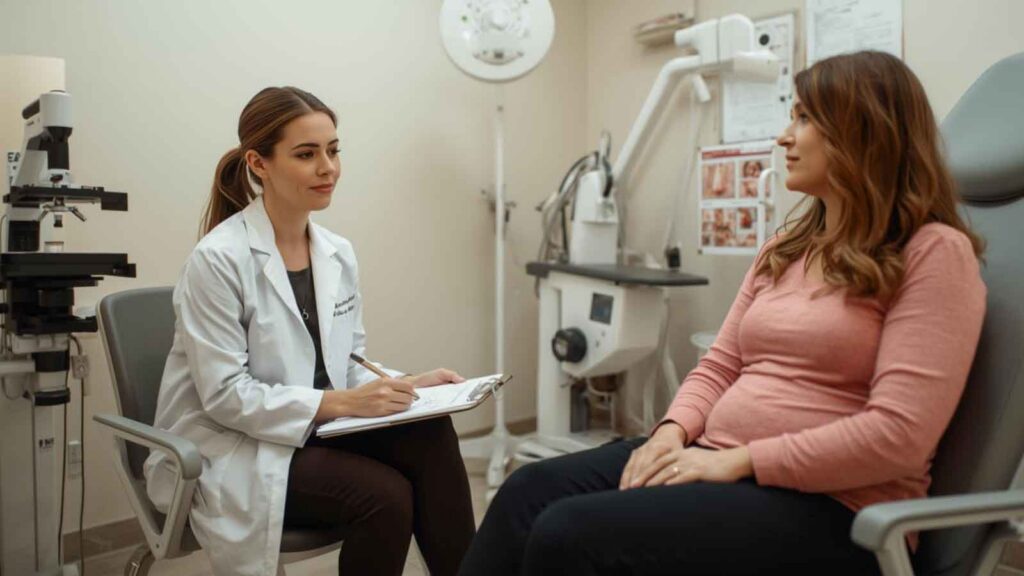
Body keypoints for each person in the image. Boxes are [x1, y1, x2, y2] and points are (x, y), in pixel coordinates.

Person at [458, 51, 987, 576]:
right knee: (526, 492)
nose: (785, 136)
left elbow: (898, 435)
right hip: (721, 458)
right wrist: (670, 434)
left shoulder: (933, 253)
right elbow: (720, 364)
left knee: (569, 534)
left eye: (804, 118)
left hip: (836, 509)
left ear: (863, 132)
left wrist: (737, 461)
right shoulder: (788, 245)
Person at [145, 87, 475, 576]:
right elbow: (226, 397)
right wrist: (340, 404)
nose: (328, 168)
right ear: (259, 163)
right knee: (384, 496)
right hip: (234, 446)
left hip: (310, 427)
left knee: (430, 433)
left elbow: (344, 365)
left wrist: (406, 385)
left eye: (333, 150)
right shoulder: (217, 261)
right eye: (307, 154)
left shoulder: (337, 252)